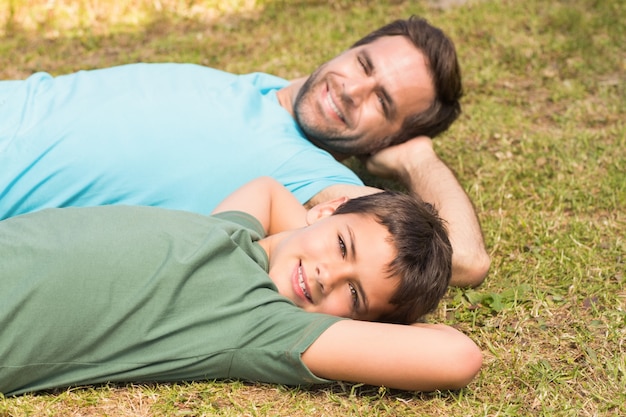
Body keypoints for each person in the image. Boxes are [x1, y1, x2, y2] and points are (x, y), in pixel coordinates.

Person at [0, 16, 489, 287]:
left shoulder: (308, 177)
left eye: (381, 103)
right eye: (364, 64)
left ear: (391, 138)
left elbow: (464, 259)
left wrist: (418, 161)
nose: (352, 90)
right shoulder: (254, 88)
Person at [0, 176, 482, 397]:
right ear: (324, 212)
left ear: (356, 325)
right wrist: (302, 235)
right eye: (341, 246)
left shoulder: (261, 323)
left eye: (353, 295)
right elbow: (268, 190)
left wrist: (388, 321)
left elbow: (458, 357)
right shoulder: (233, 233)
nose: (325, 276)